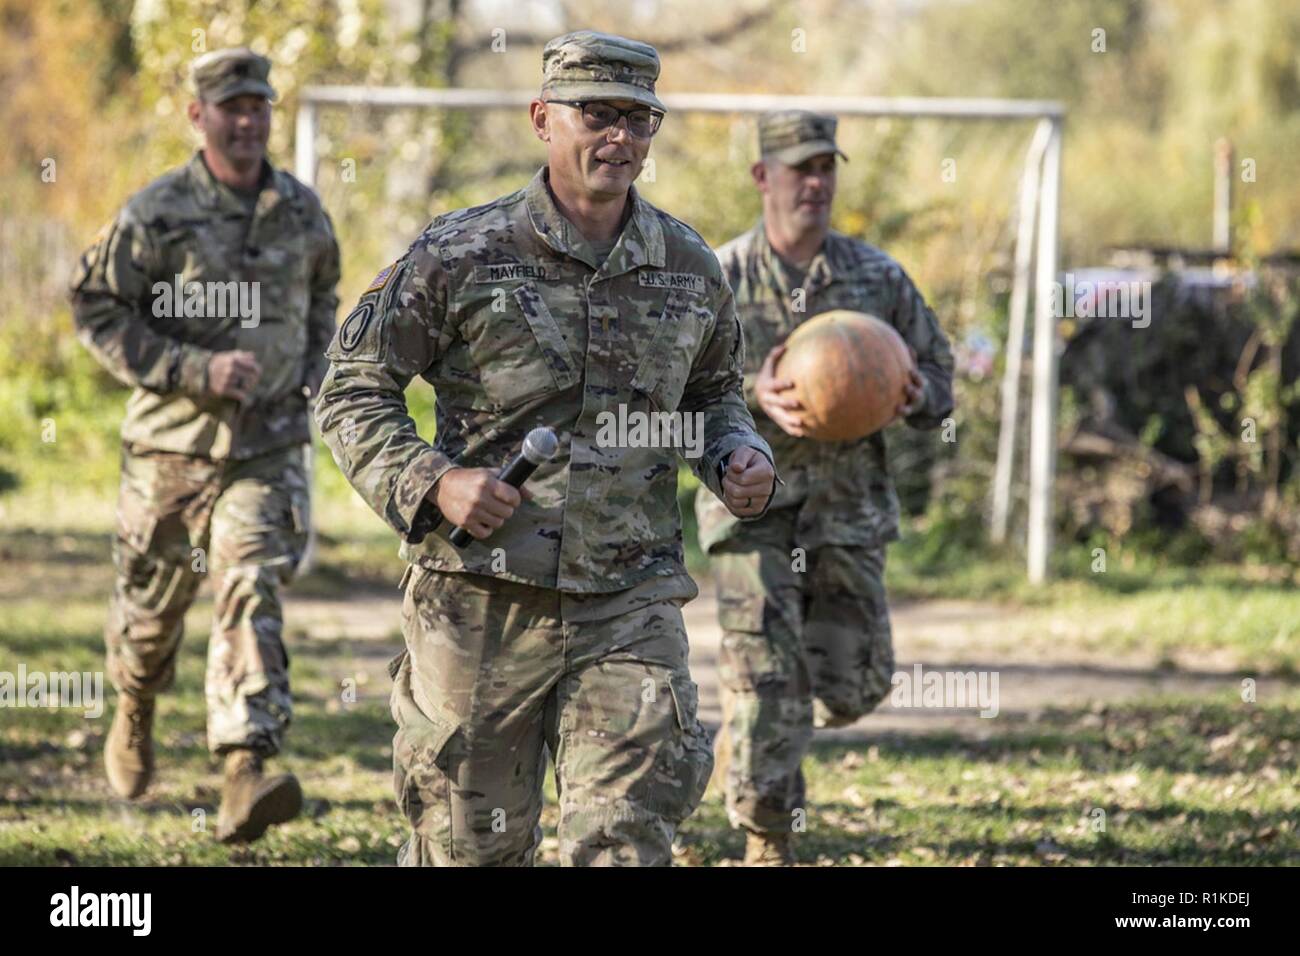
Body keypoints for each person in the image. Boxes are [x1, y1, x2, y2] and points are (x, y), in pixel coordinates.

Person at [314, 30, 776, 866]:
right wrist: (435, 482)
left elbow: (713, 395)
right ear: (542, 119)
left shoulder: (688, 264)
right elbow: (351, 387)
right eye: (598, 113)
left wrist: (736, 456)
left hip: (628, 597)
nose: (622, 136)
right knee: (469, 849)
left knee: (624, 840)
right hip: (479, 601)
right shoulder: (460, 254)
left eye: (640, 119)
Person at [70, 47, 340, 843]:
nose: (248, 122)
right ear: (199, 116)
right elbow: (95, 305)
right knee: (151, 615)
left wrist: (310, 373)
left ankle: (244, 766)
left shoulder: (301, 211)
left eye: (259, 107)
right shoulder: (156, 214)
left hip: (266, 448)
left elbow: (324, 294)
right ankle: (134, 701)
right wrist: (193, 369)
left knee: (249, 584)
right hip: (170, 449)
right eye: (232, 108)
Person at [696, 110, 955, 865]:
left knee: (853, 685)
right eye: (799, 168)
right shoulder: (717, 277)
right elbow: (672, 390)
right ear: (762, 176)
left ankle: (750, 728)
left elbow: (941, 376)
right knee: (770, 675)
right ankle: (767, 834)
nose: (815, 182)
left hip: (848, 512)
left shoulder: (877, 277)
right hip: (750, 511)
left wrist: (917, 396)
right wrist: (754, 391)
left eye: (825, 168)